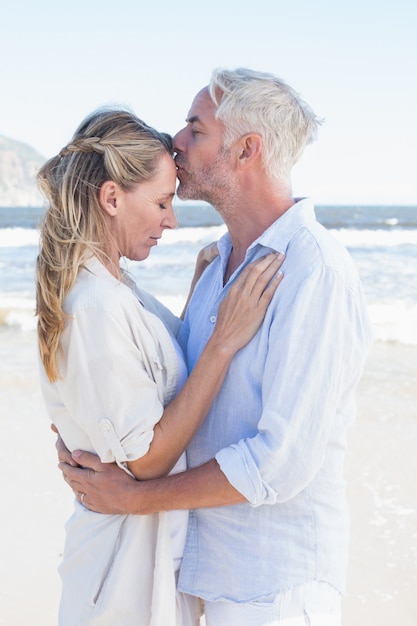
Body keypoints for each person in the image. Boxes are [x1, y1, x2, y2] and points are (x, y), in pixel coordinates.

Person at [59, 68, 373, 626]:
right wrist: (93, 437)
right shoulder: (216, 267)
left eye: (195, 129)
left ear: (247, 150)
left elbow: (280, 463)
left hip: (273, 587)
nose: (175, 142)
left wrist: (131, 498)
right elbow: (174, 386)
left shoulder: (313, 270)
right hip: (198, 581)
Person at [36, 107, 284, 626]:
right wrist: (223, 342)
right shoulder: (95, 303)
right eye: (161, 202)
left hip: (145, 559)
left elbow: (159, 377)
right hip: (119, 579)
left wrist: (200, 296)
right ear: (111, 198)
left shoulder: (117, 287)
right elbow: (145, 459)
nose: (171, 220)